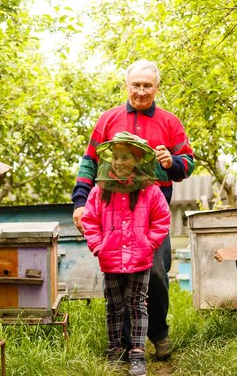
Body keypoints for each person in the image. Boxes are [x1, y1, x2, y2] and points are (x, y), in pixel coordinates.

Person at [72, 59, 195, 359]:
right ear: (126, 86)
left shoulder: (170, 122)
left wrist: (172, 163)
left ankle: (158, 334)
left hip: (151, 216)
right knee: (118, 277)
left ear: (156, 88)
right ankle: (125, 344)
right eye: (136, 85)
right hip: (113, 215)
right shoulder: (108, 120)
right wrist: (79, 201)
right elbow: (90, 161)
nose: (141, 91)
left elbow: (188, 162)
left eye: (147, 85)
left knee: (155, 274)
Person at [81, 132, 171, 376]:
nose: (119, 162)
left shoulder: (150, 191)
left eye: (125, 157)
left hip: (141, 259)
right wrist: (98, 247)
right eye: (116, 157)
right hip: (110, 259)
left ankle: (137, 354)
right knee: (114, 306)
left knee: (138, 305)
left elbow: (162, 219)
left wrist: (149, 243)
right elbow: (89, 221)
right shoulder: (100, 191)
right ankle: (115, 350)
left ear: (138, 159)